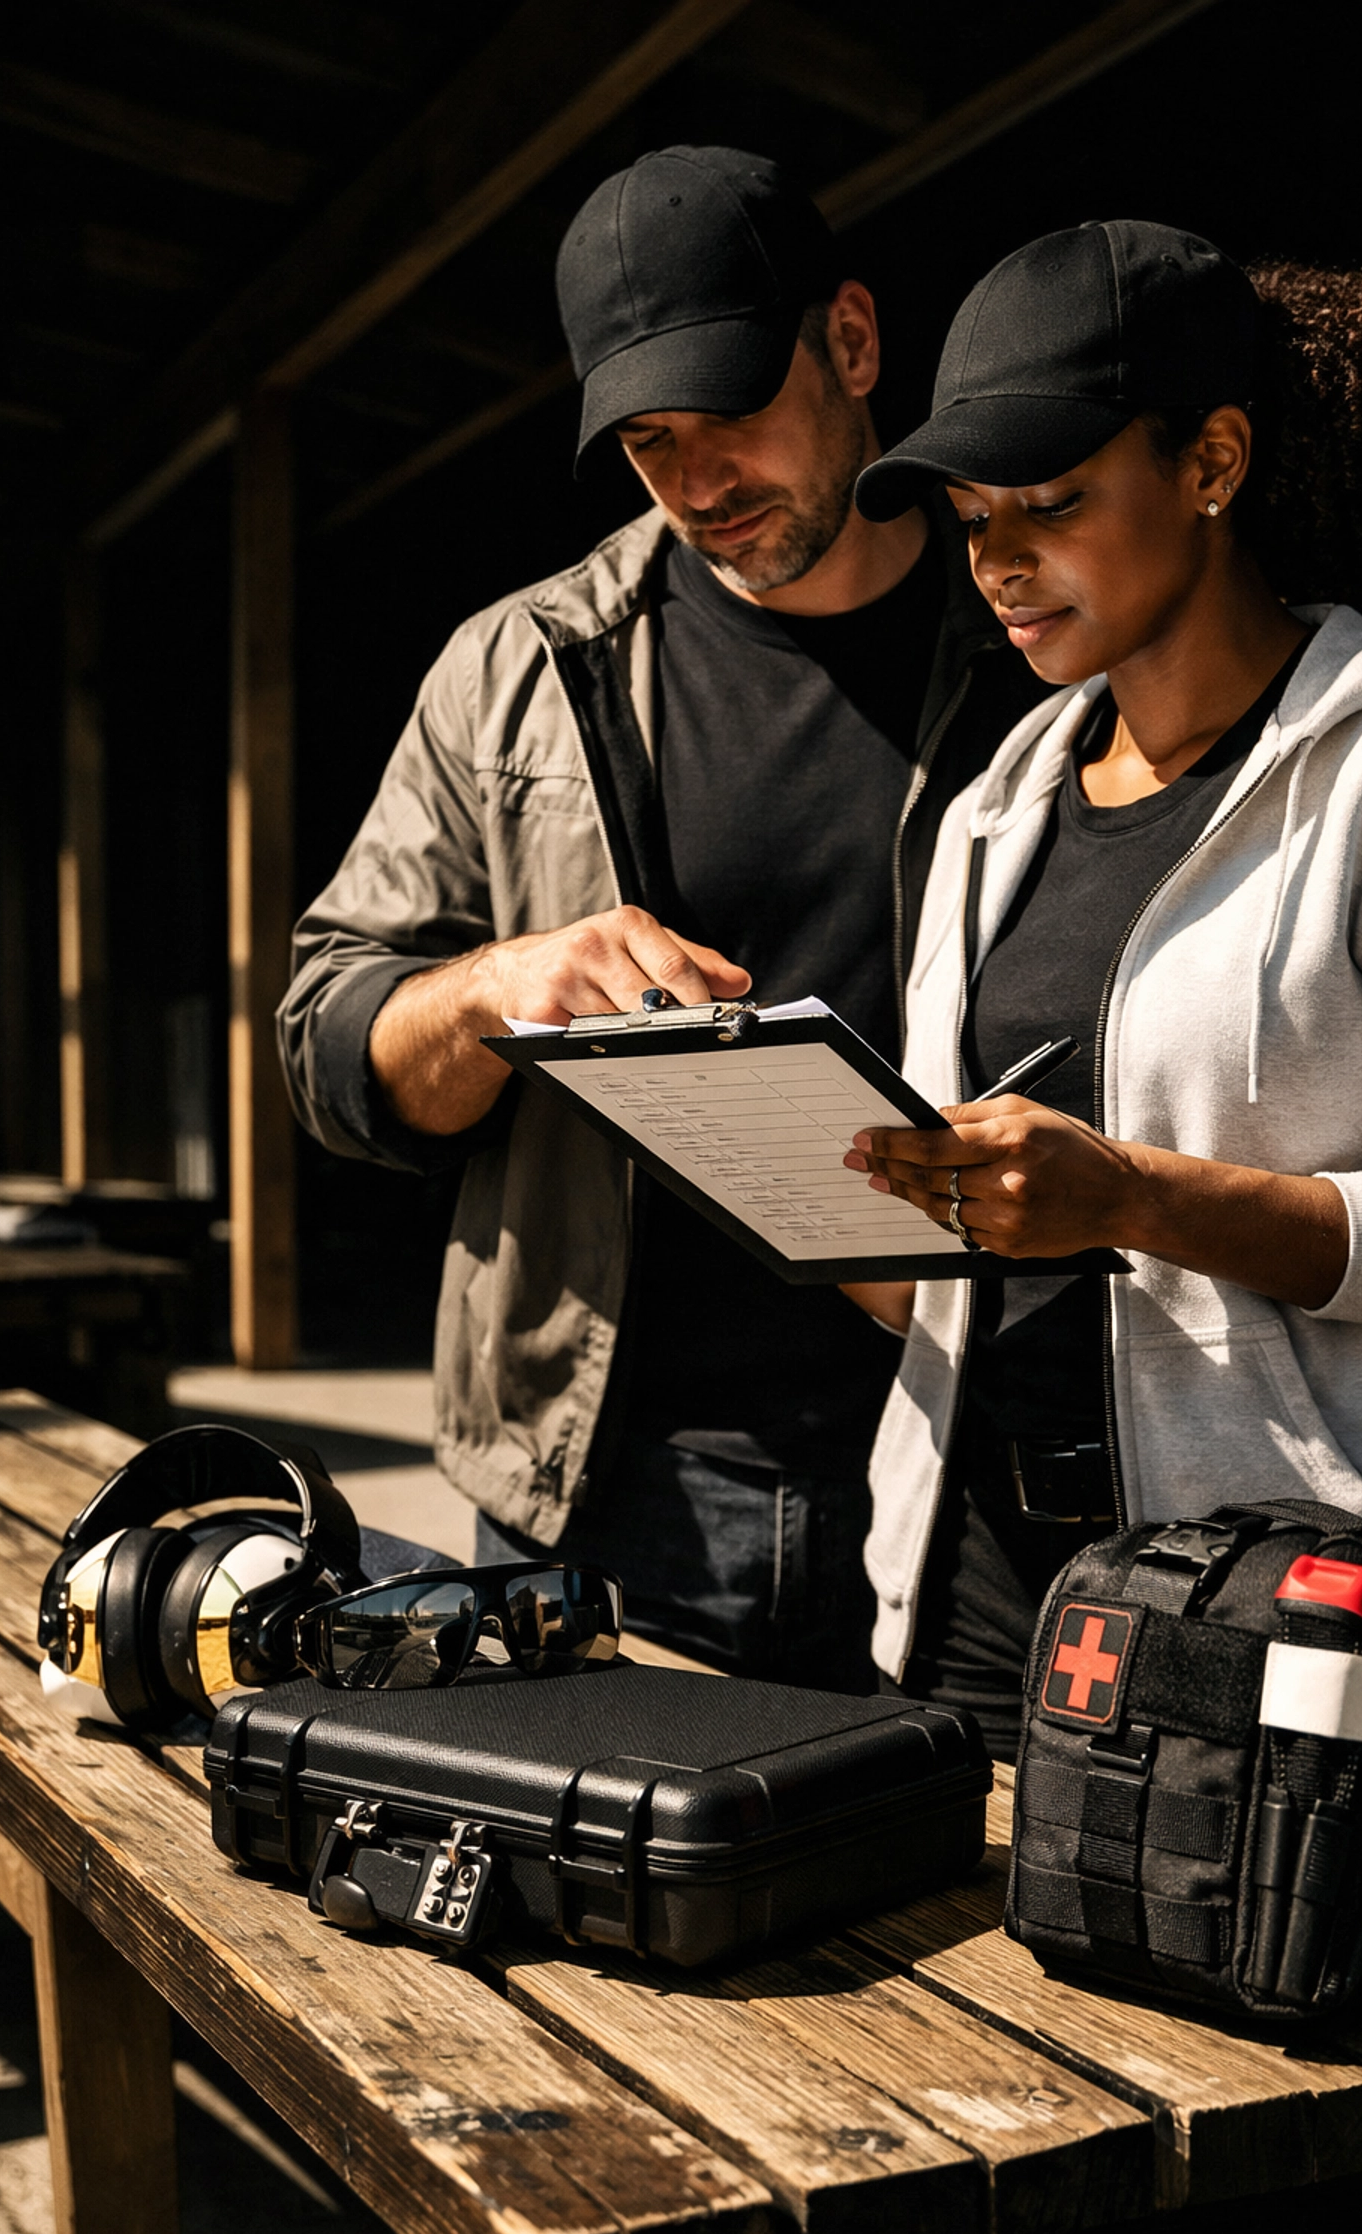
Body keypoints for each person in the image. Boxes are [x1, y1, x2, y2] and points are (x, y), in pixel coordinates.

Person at [277, 147, 1036, 1689]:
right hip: (598, 1495)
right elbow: (324, 1044)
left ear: (855, 342)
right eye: (644, 441)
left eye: (730, 412)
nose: (696, 483)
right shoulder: (518, 669)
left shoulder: (1038, 645)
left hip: (975, 1478)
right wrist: (502, 987)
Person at [844, 219, 1362, 1858]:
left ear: (1213, 461)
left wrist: (1137, 1198)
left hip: (1288, 1635)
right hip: (973, 1615)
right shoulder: (998, 801)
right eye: (971, 517)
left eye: (1052, 503)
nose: (997, 560)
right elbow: (958, 1253)